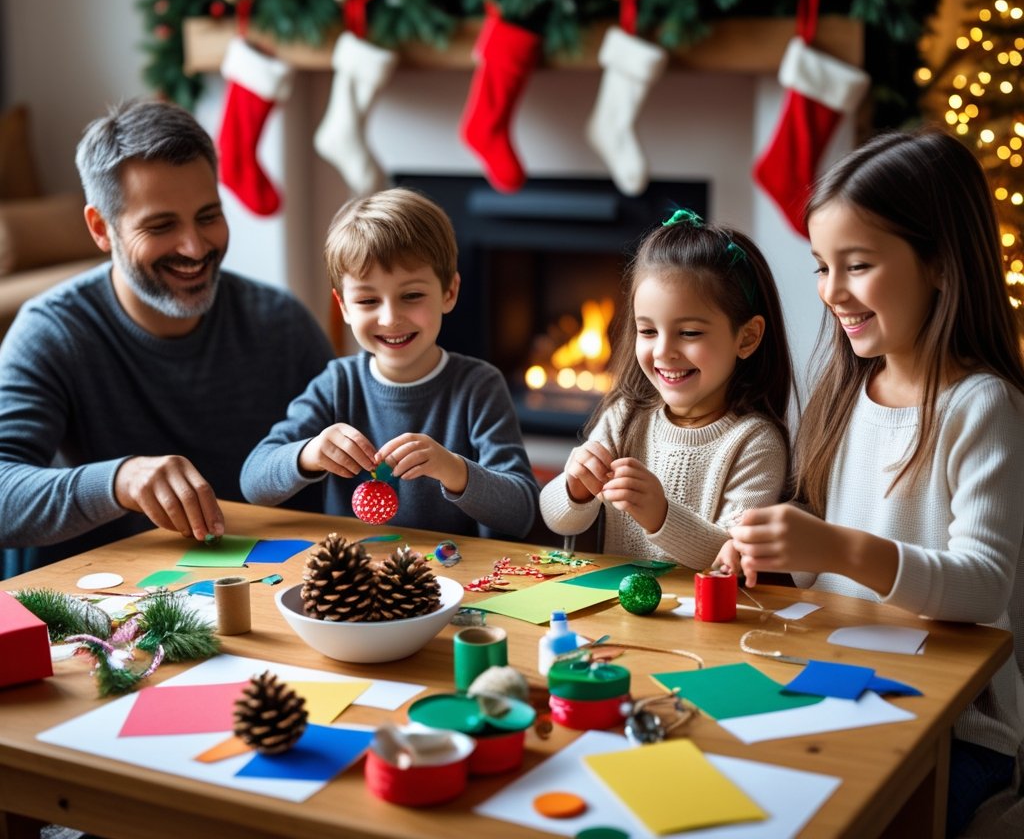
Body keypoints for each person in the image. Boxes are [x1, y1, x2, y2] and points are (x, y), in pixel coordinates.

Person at [720, 130, 1024, 837]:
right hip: (836, 680)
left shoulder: (982, 404)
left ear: (941, 264)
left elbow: (983, 586)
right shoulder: (850, 387)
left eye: (857, 265)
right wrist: (774, 553)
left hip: (957, 726)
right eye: (823, 266)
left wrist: (833, 548)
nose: (832, 293)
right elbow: (820, 571)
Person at [0, 98, 334, 574]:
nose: (195, 248)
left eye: (207, 216)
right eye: (161, 226)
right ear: (101, 228)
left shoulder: (282, 324)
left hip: (266, 587)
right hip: (102, 606)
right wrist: (120, 480)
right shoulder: (52, 332)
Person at [241, 187, 538, 538]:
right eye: (367, 300)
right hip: (355, 575)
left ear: (449, 292)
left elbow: (522, 512)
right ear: (344, 307)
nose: (390, 318)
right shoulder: (338, 384)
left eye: (411, 295)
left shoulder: (479, 386)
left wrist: (453, 469)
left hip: (454, 577)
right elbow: (253, 483)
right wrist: (310, 452)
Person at [538, 209, 794, 569]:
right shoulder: (624, 417)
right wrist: (574, 488)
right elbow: (557, 518)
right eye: (648, 331)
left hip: (701, 622)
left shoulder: (754, 443)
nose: (662, 352)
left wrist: (661, 515)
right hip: (614, 611)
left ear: (747, 337)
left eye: (689, 333)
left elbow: (732, 560)